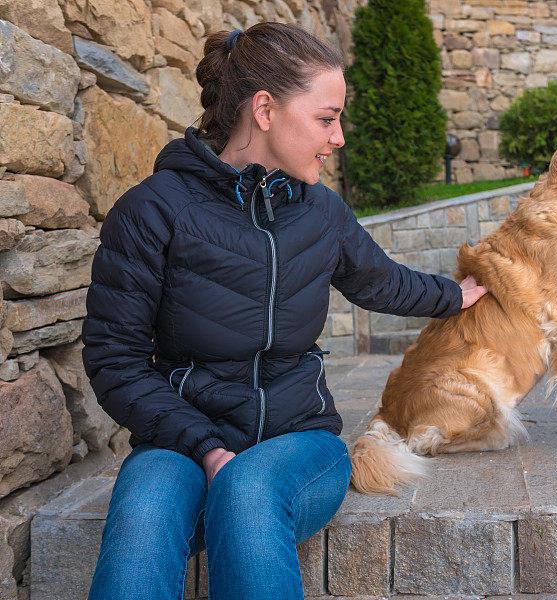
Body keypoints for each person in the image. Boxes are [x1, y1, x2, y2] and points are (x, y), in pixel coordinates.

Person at [81, 21, 488, 600]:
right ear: (265, 109)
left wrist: (462, 295)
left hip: (299, 441)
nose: (339, 136)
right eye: (327, 118)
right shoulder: (153, 210)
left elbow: (384, 283)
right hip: (178, 439)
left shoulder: (321, 213)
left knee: (247, 494)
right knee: (144, 514)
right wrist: (204, 445)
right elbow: (114, 360)